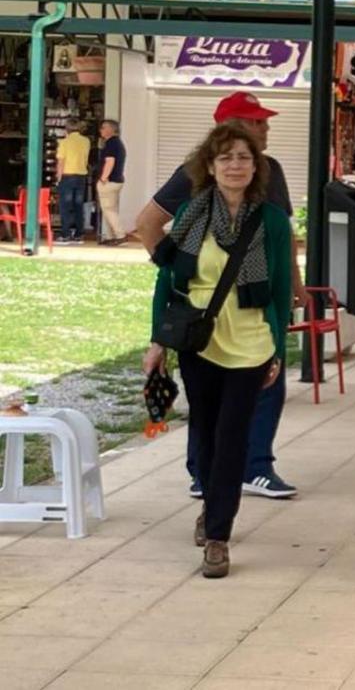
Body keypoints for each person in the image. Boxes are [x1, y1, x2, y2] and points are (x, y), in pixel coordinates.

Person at [135, 92, 305, 500]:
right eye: (257, 121)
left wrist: (294, 285)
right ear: (231, 127)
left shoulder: (271, 171)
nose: (266, 128)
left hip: (256, 300)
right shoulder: (192, 173)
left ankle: (256, 466)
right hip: (206, 307)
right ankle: (202, 471)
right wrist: (178, 267)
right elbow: (147, 222)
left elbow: (284, 239)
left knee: (268, 381)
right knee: (207, 397)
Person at [142, 123, 293, 578]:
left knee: (232, 437)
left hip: (250, 342)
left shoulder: (270, 221)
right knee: (205, 433)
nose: (235, 166)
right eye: (225, 157)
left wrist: (279, 348)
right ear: (209, 166)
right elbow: (167, 280)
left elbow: (281, 288)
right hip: (199, 338)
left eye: (244, 158)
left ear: (256, 166)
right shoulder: (190, 213)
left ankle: (218, 537)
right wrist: (156, 341)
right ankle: (211, 504)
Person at [55, 119, 90, 244]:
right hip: (81, 176)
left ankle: (65, 234)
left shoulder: (64, 142)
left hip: (67, 175)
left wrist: (58, 177)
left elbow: (61, 161)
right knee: (78, 205)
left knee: (65, 206)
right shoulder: (86, 141)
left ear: (67, 129)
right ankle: (79, 234)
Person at [96, 119, 127, 245]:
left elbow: (110, 161)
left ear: (111, 129)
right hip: (117, 180)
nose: (101, 130)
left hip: (109, 181)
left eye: (103, 127)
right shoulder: (117, 143)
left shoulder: (111, 144)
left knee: (108, 209)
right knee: (111, 209)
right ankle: (110, 236)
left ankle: (120, 235)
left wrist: (103, 177)